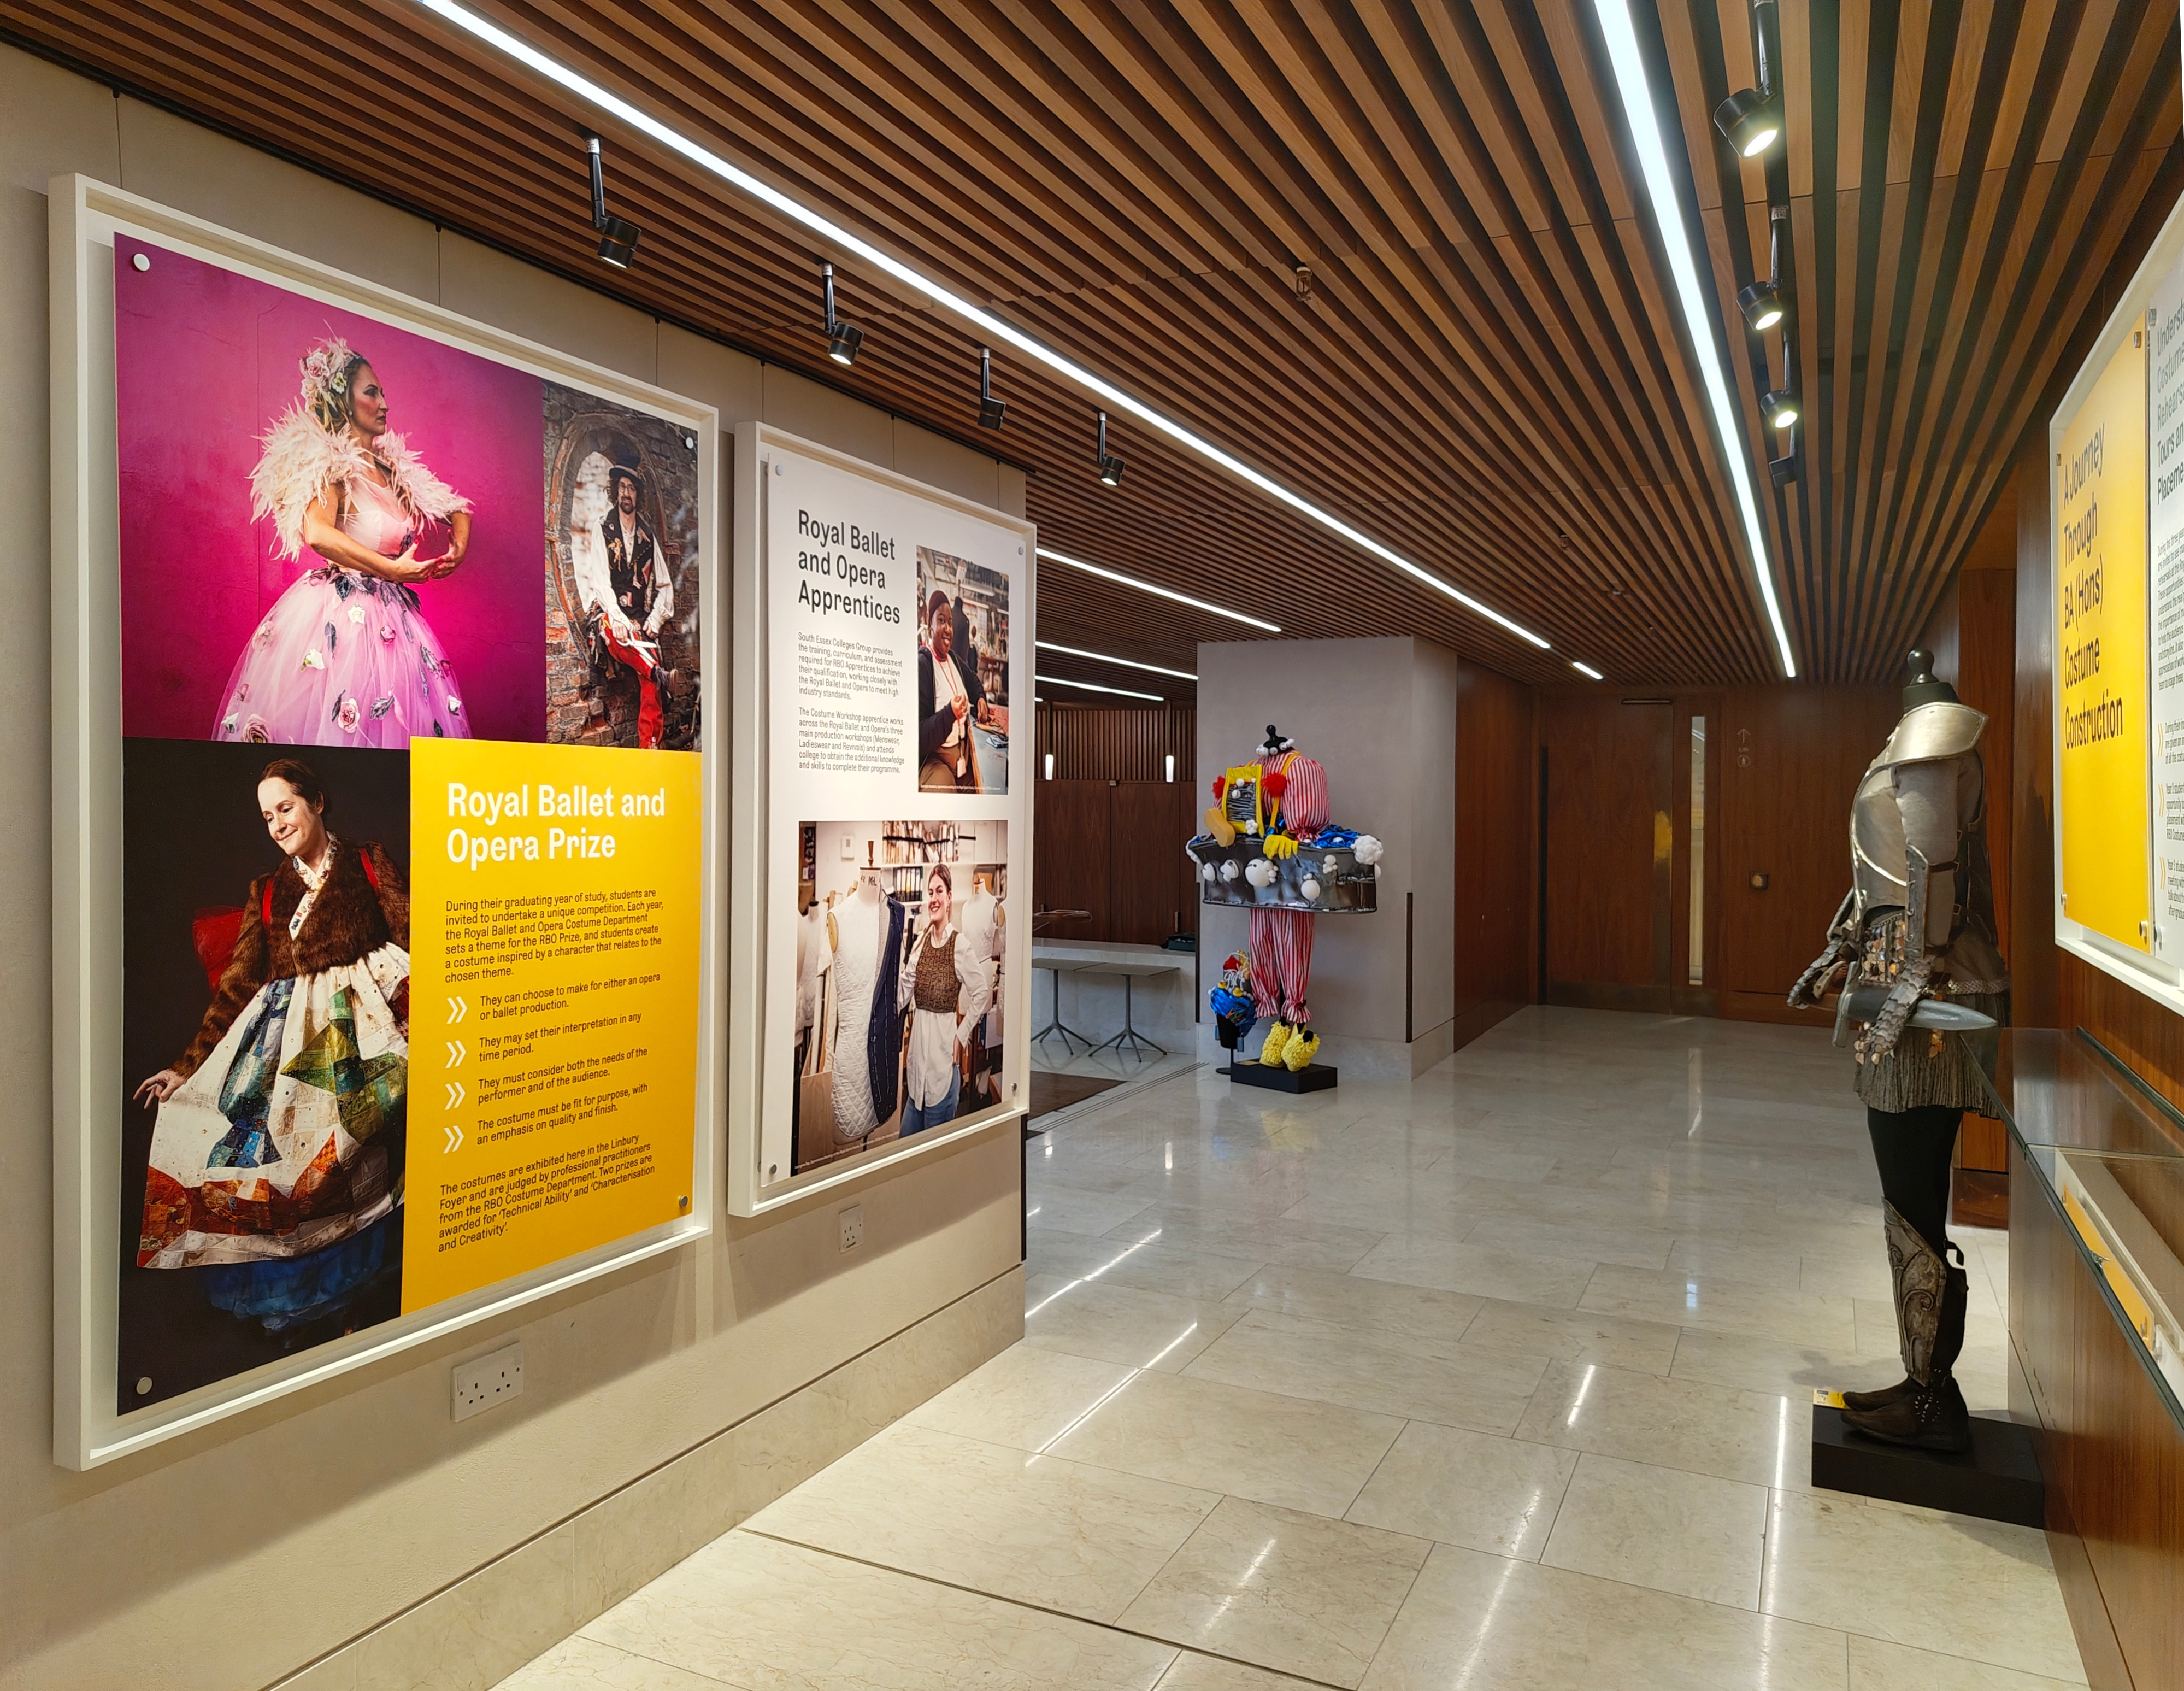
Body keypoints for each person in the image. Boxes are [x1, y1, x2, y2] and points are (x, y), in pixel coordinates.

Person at [134, 758, 410, 1332]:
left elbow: (413, 934)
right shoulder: (266, 892)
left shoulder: (366, 861)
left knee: (359, 1146)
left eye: (285, 808)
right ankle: (297, 1302)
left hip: (365, 1028)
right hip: (287, 1038)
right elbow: (237, 986)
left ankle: (364, 1292)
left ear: (316, 802)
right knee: (256, 1148)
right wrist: (186, 1069)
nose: (278, 824)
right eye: (267, 816)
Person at [218, 337, 472, 747]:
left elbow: (456, 507)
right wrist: (391, 569)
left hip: (398, 623)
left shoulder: (395, 471)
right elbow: (317, 533)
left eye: (383, 392)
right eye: (372, 392)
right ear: (343, 402)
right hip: (341, 616)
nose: (384, 403)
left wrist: (457, 549)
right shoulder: (330, 463)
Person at [575, 463, 684, 750]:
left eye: (632, 488)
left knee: (651, 681)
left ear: (638, 495)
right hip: (610, 613)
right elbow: (600, 580)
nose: (627, 493)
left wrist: (656, 620)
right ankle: (657, 672)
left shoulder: (648, 536)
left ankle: (650, 747)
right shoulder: (603, 527)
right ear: (615, 491)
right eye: (622, 487)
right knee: (617, 634)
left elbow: (665, 586)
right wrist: (616, 616)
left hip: (640, 617)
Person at [896, 862, 992, 1134]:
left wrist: (962, 1036)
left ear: (950, 897)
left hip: (942, 1072)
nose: (934, 898)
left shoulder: (959, 945)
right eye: (930, 892)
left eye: (940, 891)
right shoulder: (920, 944)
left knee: (933, 1165)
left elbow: (982, 993)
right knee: (906, 1150)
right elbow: (902, 993)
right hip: (916, 1081)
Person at [917, 589, 986, 790]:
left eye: (950, 623)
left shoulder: (954, 659)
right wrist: (950, 714)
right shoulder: (923, 664)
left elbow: (973, 682)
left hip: (964, 754)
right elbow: (920, 736)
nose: (947, 629)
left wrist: (980, 697)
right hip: (937, 760)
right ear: (930, 625)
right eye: (941, 621)